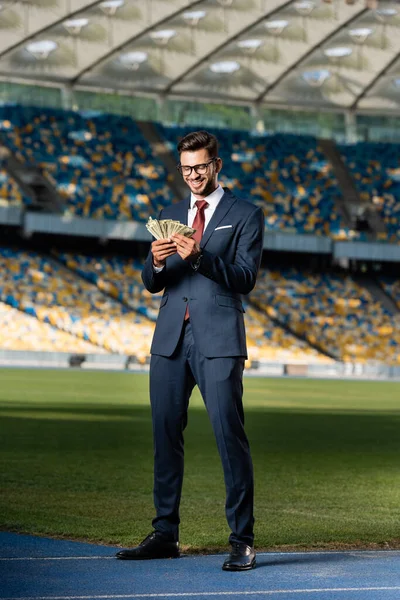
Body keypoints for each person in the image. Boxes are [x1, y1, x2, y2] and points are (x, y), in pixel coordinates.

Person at [116, 130, 264, 571]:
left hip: (218, 340)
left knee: (228, 438)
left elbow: (244, 278)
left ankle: (242, 540)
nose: (193, 175)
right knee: (165, 437)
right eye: (186, 169)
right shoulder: (169, 213)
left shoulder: (246, 214)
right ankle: (165, 534)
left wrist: (198, 257)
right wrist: (157, 261)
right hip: (168, 340)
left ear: (217, 164)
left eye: (200, 166)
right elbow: (151, 281)